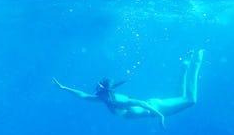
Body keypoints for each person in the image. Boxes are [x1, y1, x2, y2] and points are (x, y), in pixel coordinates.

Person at [53, 49, 204, 129]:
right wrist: (63, 87)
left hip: (157, 108)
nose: (96, 93)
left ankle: (196, 60)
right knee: (180, 96)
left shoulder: (118, 100)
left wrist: (160, 116)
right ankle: (185, 66)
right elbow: (84, 96)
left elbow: (141, 104)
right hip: (154, 106)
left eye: (99, 90)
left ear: (105, 91)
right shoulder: (105, 99)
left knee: (190, 100)